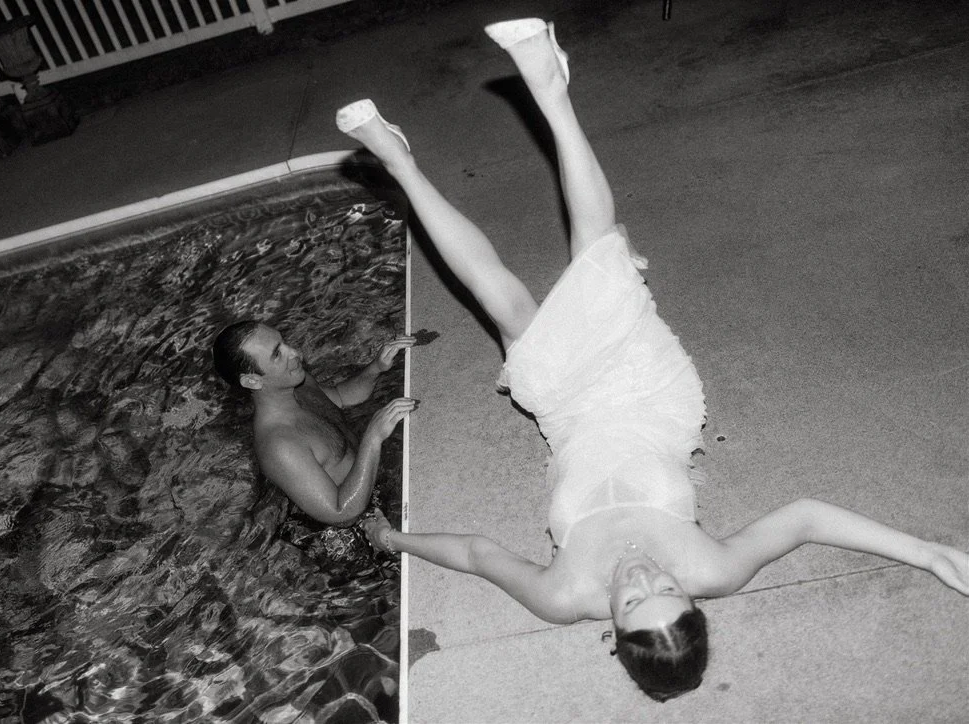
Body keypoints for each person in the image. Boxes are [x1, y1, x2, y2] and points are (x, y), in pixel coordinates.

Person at [336, 18, 969, 702]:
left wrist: (399, 541)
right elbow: (808, 518)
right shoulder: (716, 568)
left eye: (635, 602)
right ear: (694, 599)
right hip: (651, 400)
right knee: (596, 255)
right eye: (668, 591)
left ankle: (398, 162)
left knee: (510, 311)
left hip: (571, 417)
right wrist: (926, 552)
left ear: (610, 625)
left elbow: (479, 556)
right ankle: (551, 89)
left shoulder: (562, 594)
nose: (643, 580)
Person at [211, 320, 417, 526]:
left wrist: (376, 367)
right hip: (360, 525)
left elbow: (340, 397)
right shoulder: (279, 445)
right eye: (277, 354)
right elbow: (341, 512)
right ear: (252, 381)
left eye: (283, 342)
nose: (295, 353)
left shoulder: (297, 382)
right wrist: (373, 438)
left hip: (377, 482)